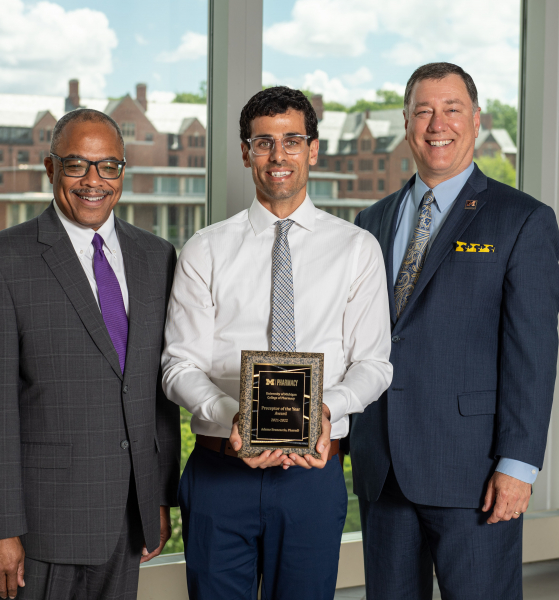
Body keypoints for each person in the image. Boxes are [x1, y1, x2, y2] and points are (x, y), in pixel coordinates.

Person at [161, 86, 393, 600]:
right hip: (222, 471)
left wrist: (325, 410)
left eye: (292, 141)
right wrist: (233, 415)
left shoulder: (356, 249)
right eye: (263, 143)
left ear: (313, 149)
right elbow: (179, 365)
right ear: (246, 152)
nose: (278, 156)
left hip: (312, 475)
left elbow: (374, 364)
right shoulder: (206, 249)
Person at [349, 62, 559, 599]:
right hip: (384, 469)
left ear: (476, 119)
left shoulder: (522, 219)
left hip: (475, 472)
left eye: (451, 109)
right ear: (405, 121)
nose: (436, 123)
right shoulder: (370, 223)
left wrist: (519, 466)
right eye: (423, 110)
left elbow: (531, 352)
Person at [0, 108, 180, 600]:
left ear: (123, 170)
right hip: (42, 528)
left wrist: (159, 497)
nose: (93, 181)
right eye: (77, 165)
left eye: (108, 166)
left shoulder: (157, 257)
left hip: (128, 519)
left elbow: (156, 394)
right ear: (50, 168)